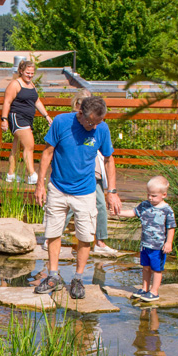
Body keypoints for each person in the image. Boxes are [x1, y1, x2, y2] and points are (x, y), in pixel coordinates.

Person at [33, 95, 122, 299]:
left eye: (98, 122)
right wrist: (40, 185)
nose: (94, 127)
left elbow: (109, 160)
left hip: (85, 191)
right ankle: (53, 276)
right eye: (91, 122)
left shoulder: (102, 129)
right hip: (58, 187)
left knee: (85, 236)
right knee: (53, 232)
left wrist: (112, 191)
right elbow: (47, 153)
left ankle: (78, 278)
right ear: (80, 112)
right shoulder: (61, 122)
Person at [61, 88, 119, 257]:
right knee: (67, 206)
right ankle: (52, 238)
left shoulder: (97, 125)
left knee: (99, 203)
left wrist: (112, 190)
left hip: (92, 170)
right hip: (72, 172)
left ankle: (100, 241)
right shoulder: (68, 122)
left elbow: (108, 156)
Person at [121, 175, 176, 302]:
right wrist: (119, 212)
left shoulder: (167, 210)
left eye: (154, 196)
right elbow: (133, 212)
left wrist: (169, 242)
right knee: (145, 267)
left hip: (158, 246)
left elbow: (171, 227)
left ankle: (154, 291)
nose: (150, 198)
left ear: (164, 195)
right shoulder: (145, 205)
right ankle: (144, 288)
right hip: (145, 244)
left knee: (157, 269)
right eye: (148, 194)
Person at [1, 60, 51, 184]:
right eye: (27, 73)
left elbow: (37, 101)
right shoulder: (15, 84)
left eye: (32, 73)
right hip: (17, 118)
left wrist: (46, 116)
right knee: (29, 145)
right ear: (21, 71)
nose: (30, 75)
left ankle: (11, 174)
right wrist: (4, 119)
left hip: (28, 119)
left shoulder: (31, 84)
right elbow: (7, 102)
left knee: (16, 147)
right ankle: (31, 175)